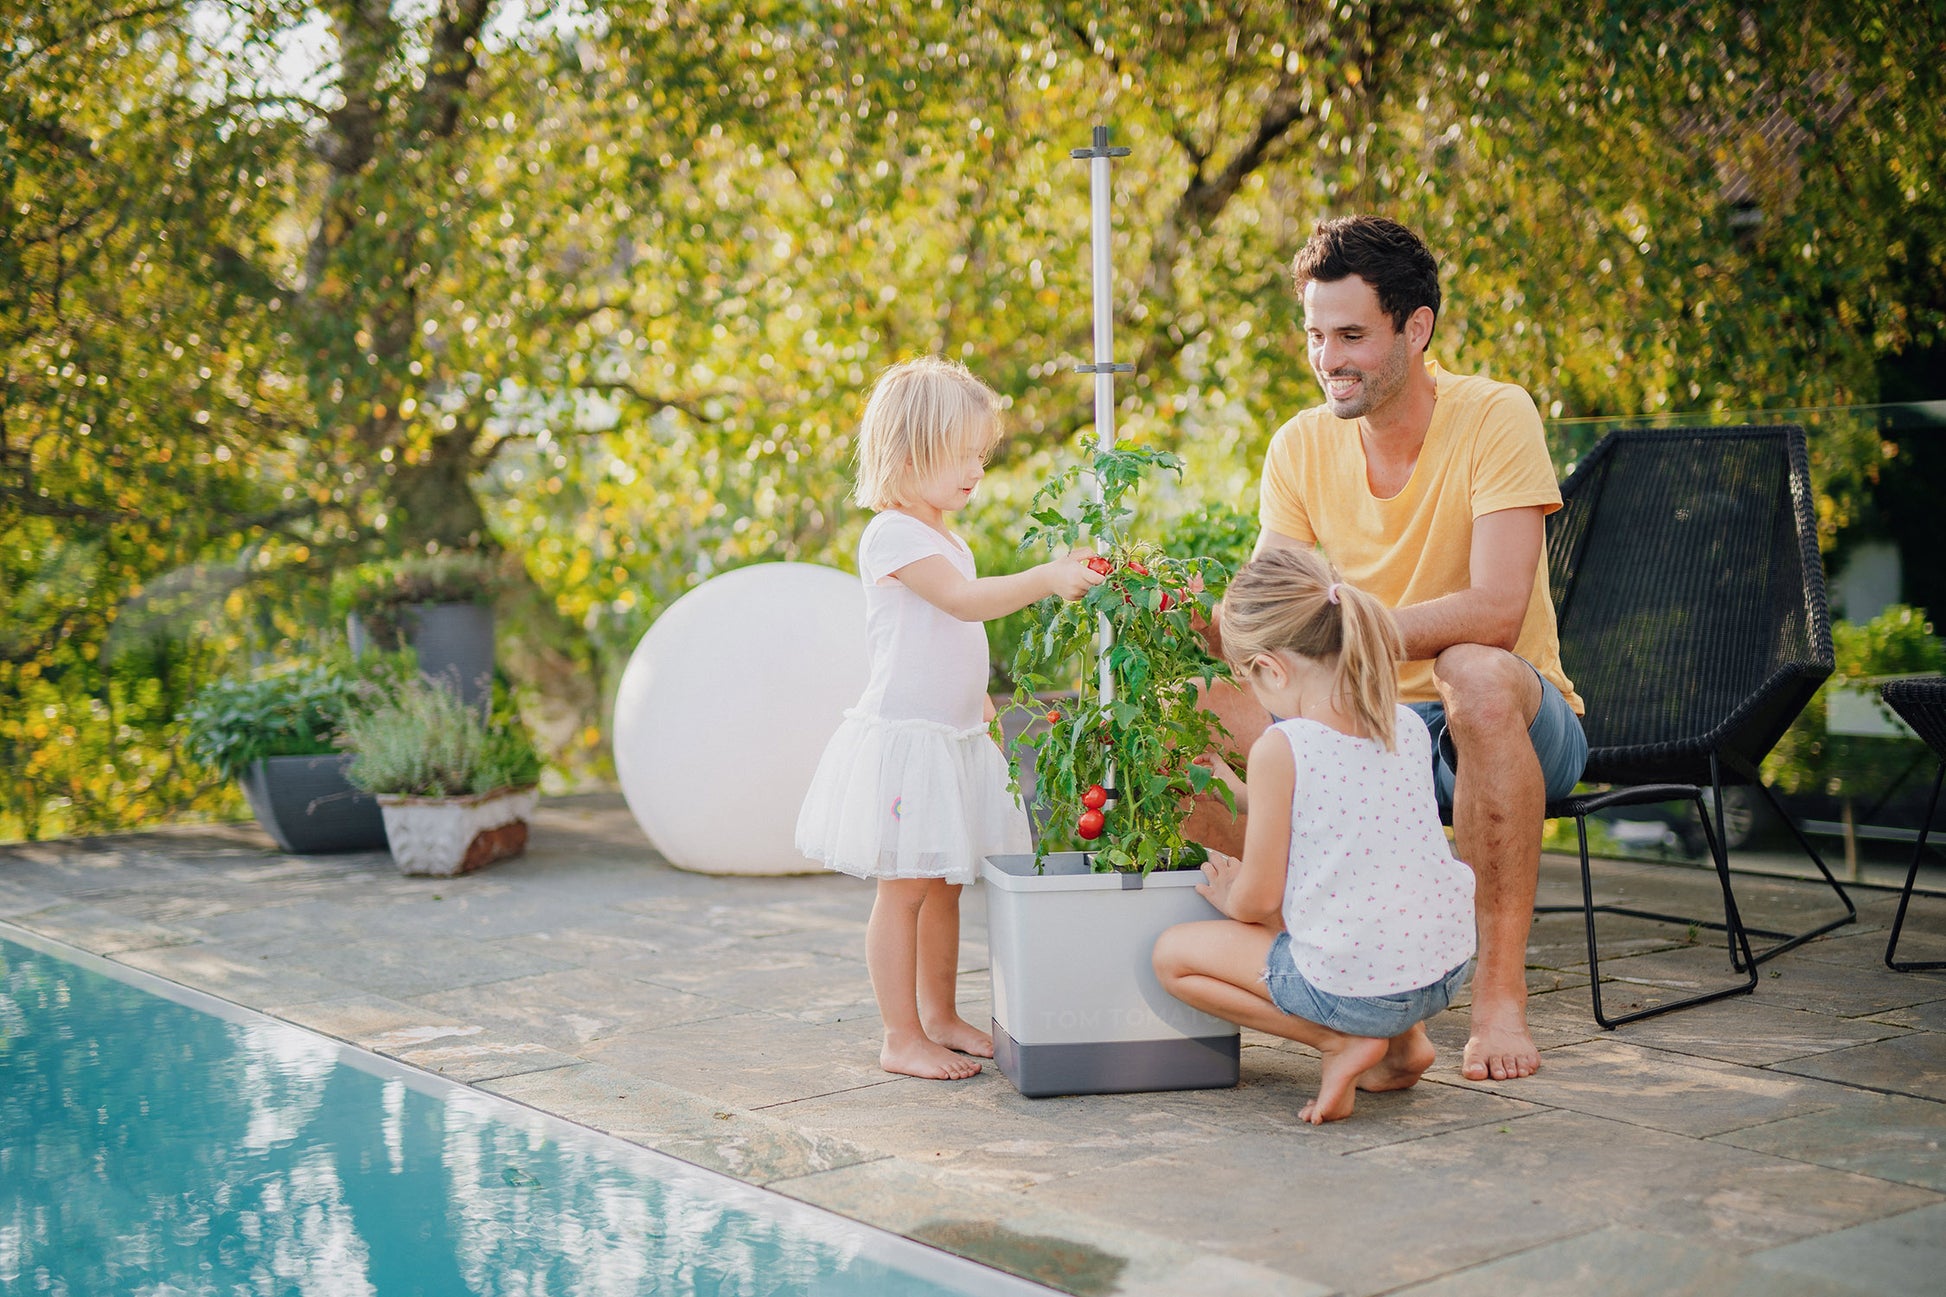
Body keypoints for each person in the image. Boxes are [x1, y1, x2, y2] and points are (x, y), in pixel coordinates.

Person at [1189, 215, 1587, 1084]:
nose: (1329, 357)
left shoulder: (1494, 414)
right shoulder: (1298, 445)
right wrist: (1197, 619)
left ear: (1416, 327)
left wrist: (1346, 641)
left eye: (1353, 335)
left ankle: (1497, 997)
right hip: (1361, 723)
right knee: (1193, 715)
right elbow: (1268, 630)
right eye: (1316, 335)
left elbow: (1496, 607)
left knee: (1472, 674)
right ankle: (1360, 998)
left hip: (1508, 720)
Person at [795, 355, 1106, 1081]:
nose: (976, 469)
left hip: (954, 737)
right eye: (959, 453)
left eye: (980, 454)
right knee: (904, 888)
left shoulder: (943, 534)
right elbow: (963, 606)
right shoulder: (893, 536)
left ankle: (939, 1014)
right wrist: (1046, 578)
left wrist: (984, 719)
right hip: (911, 744)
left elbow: (956, 646)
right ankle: (899, 1033)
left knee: (944, 884)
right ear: (905, 454)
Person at [1155, 549, 1476, 1122]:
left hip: (1359, 991)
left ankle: (1340, 1043)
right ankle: (1407, 1045)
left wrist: (1227, 892)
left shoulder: (1283, 748)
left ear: (1272, 669)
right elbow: (1333, 800)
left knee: (1173, 957)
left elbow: (1258, 901)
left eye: (1247, 680)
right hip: (1444, 969)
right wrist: (1238, 784)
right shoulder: (1399, 721)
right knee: (1368, 898)